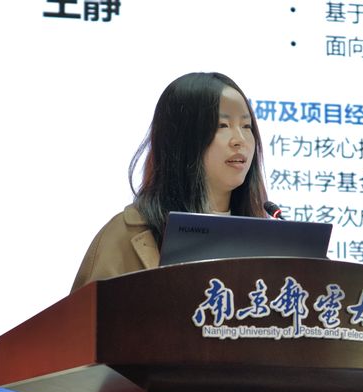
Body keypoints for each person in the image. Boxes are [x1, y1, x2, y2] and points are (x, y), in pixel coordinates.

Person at [71, 72, 267, 291]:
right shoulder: (125, 236)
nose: (240, 140)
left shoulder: (266, 239)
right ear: (182, 139)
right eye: (222, 125)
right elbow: (86, 312)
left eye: (246, 126)